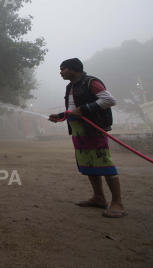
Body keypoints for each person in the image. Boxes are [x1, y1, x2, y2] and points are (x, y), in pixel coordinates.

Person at [48, 58, 126, 218]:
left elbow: (109, 100)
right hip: (79, 131)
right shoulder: (70, 86)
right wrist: (61, 115)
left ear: (74, 69)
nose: (60, 72)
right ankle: (98, 197)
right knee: (89, 163)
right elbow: (73, 109)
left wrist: (84, 109)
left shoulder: (89, 81)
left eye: (63, 69)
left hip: (93, 129)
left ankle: (117, 203)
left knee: (104, 162)